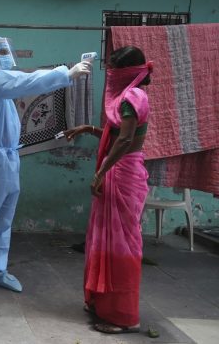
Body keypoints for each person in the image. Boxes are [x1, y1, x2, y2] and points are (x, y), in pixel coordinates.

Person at [0, 36, 92, 295]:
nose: (6, 55)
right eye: (0, 51)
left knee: (4, 216)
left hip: (8, 158)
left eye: (7, 50)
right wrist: (66, 73)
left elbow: (17, 84)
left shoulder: (3, 90)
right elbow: (23, 81)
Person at [64, 46, 152, 334]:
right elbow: (119, 135)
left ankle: (123, 316)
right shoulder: (134, 97)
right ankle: (103, 303)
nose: (109, 75)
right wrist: (89, 129)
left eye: (113, 70)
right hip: (123, 171)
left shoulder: (129, 98)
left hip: (122, 174)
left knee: (120, 245)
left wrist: (101, 172)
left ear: (124, 72)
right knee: (105, 240)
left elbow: (125, 141)